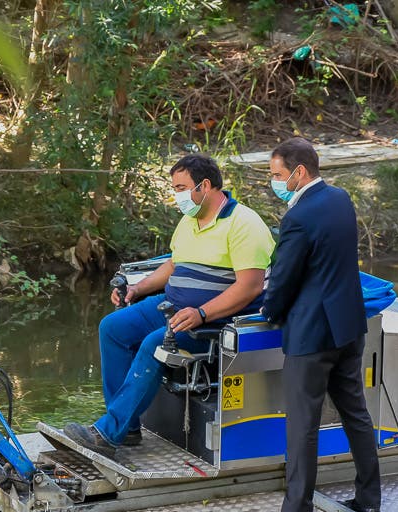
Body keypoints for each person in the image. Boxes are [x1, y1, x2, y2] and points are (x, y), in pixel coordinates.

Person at [63, 154, 275, 458]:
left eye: (180, 187)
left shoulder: (245, 224)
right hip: (172, 304)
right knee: (112, 328)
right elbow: (174, 265)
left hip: (213, 318)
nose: (176, 195)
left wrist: (202, 313)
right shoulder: (190, 220)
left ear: (204, 185)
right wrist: (136, 288)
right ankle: (129, 427)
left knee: (155, 343)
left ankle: (109, 432)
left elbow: (250, 287)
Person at [251, 137, 382, 512]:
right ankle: (368, 501)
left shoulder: (298, 217)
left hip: (312, 334)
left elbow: (285, 277)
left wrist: (269, 311)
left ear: (299, 172)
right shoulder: (340, 198)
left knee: (302, 425)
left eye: (276, 175)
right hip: (347, 326)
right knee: (355, 414)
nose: (273, 182)